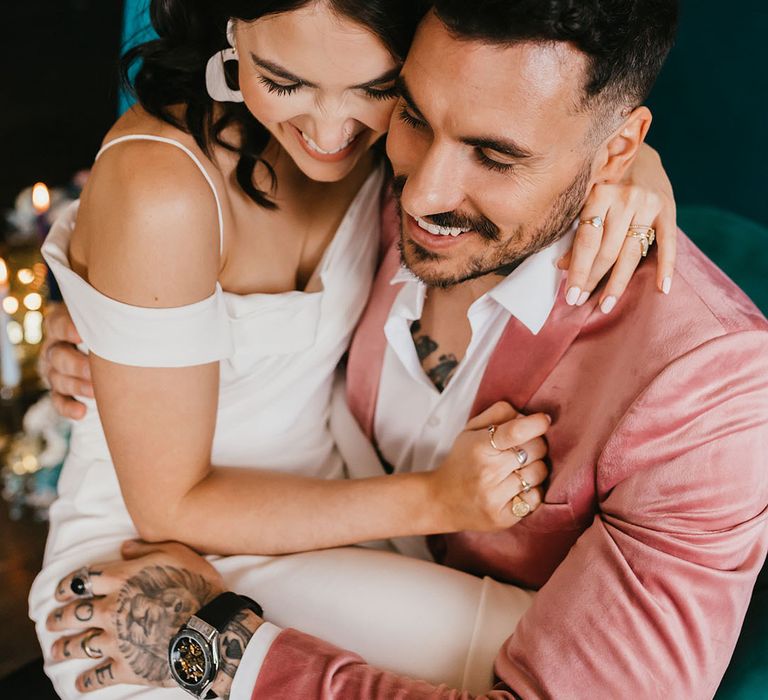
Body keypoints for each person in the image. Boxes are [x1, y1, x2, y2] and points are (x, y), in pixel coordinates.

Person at [43, 0, 768, 698]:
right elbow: (150, 204)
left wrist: (218, 646)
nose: (421, 196)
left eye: (493, 155)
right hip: (145, 559)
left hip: (298, 554)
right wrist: (101, 308)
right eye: (414, 114)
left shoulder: (710, 387)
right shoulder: (352, 148)